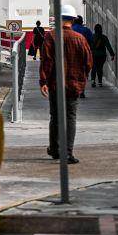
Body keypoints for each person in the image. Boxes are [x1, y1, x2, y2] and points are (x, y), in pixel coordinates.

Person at [39, 12, 92, 163]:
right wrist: (82, 79)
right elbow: (88, 62)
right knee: (70, 118)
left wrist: (43, 82)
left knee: (55, 117)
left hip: (55, 85)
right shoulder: (80, 38)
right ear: (73, 20)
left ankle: (55, 150)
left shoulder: (51, 36)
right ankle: (68, 153)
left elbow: (46, 61)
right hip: (74, 85)